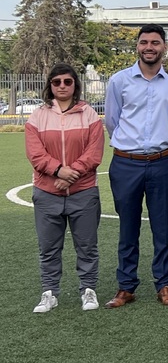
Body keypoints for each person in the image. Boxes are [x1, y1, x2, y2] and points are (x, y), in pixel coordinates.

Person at [104, 23, 168, 308]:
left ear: (164, 47)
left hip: (163, 163)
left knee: (163, 227)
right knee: (128, 227)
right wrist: (132, 147)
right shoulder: (119, 81)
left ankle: (164, 285)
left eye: (155, 42)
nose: (149, 47)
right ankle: (126, 286)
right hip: (126, 164)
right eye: (144, 42)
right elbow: (112, 122)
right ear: (137, 46)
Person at [25, 64, 105, 313]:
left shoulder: (89, 114)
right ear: (50, 85)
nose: (62, 86)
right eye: (56, 81)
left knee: (87, 246)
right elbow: (35, 153)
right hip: (47, 192)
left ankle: (88, 291)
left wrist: (71, 174)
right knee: (48, 248)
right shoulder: (38, 115)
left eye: (67, 82)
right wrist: (59, 170)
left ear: (75, 85)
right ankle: (49, 293)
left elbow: (94, 152)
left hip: (83, 192)